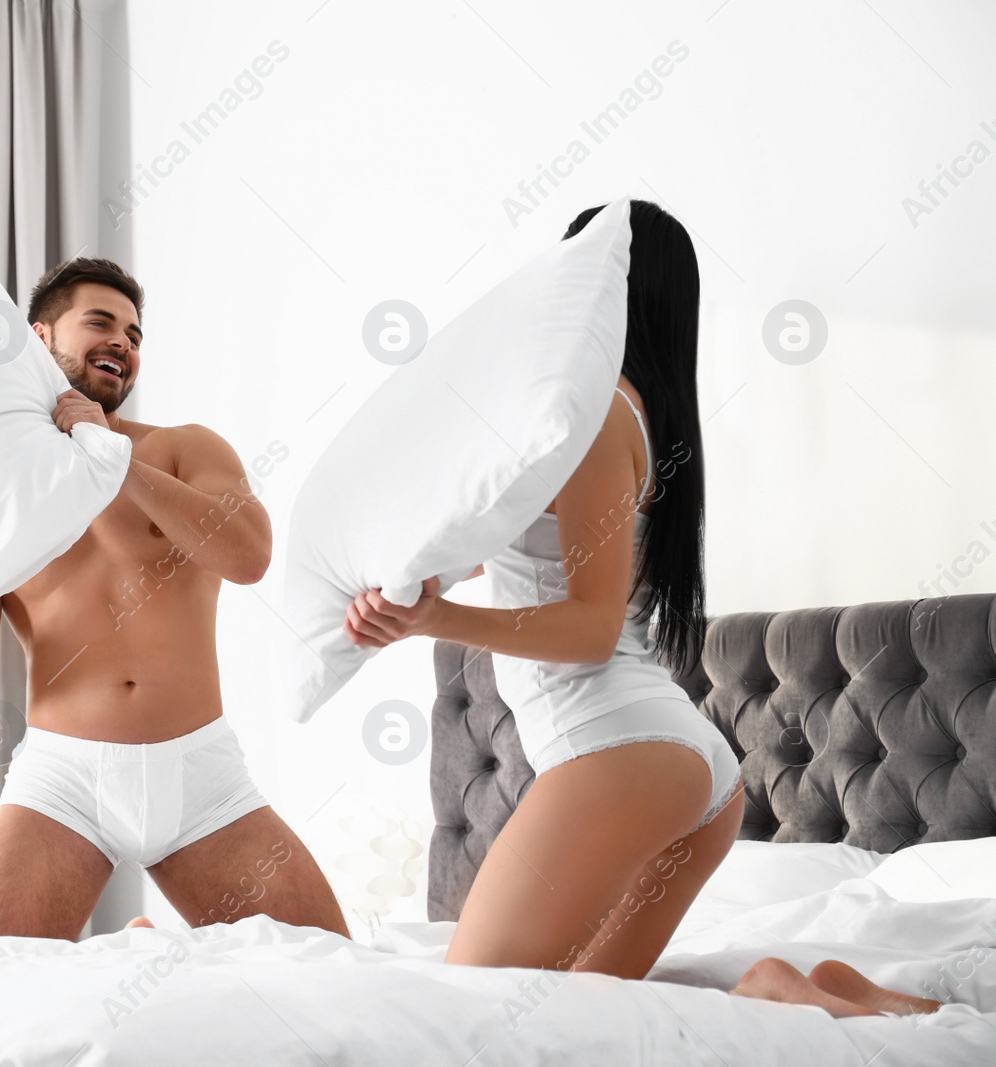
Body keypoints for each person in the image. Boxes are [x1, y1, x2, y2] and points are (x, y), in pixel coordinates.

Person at [338, 201, 941, 1019]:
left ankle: (784, 990)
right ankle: (781, 995)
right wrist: (434, 577)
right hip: (666, 765)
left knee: (469, 1013)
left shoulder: (598, 416)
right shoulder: (607, 414)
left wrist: (429, 624)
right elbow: (528, 546)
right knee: (586, 1010)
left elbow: (587, 630)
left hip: (619, 750)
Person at [0, 257, 347, 940]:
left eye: (135, 336)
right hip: (63, 780)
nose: (124, 344)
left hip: (203, 778)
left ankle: (145, 957)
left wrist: (111, 460)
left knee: (327, 975)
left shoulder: (179, 448)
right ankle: (141, 955)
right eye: (101, 322)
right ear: (39, 337)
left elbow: (248, 555)